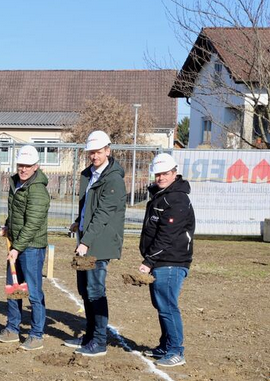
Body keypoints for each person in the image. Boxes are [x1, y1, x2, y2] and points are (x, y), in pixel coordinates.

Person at [66, 130, 126, 357]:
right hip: (86, 239)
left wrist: (86, 242)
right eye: (91, 152)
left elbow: (103, 213)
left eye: (99, 152)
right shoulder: (89, 174)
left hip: (98, 244)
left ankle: (99, 341)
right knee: (84, 290)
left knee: (95, 291)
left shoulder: (113, 179)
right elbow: (88, 207)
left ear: (108, 151)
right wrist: (77, 222)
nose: (94, 156)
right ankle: (90, 335)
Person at [139, 153, 194, 367]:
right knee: (160, 303)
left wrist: (148, 261)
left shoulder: (177, 198)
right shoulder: (161, 195)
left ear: (174, 173)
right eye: (158, 173)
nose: (161, 177)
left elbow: (167, 235)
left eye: (165, 173)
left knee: (168, 305)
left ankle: (176, 350)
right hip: (161, 261)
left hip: (172, 261)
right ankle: (166, 344)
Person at [0, 145, 50, 351]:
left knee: (33, 291)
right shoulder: (17, 183)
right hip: (17, 244)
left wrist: (17, 247)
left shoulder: (37, 190)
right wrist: (8, 224)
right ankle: (12, 329)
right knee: (13, 289)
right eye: (20, 165)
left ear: (36, 166)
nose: (23, 169)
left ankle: (36, 334)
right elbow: (18, 211)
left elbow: (33, 222)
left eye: (27, 166)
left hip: (32, 247)